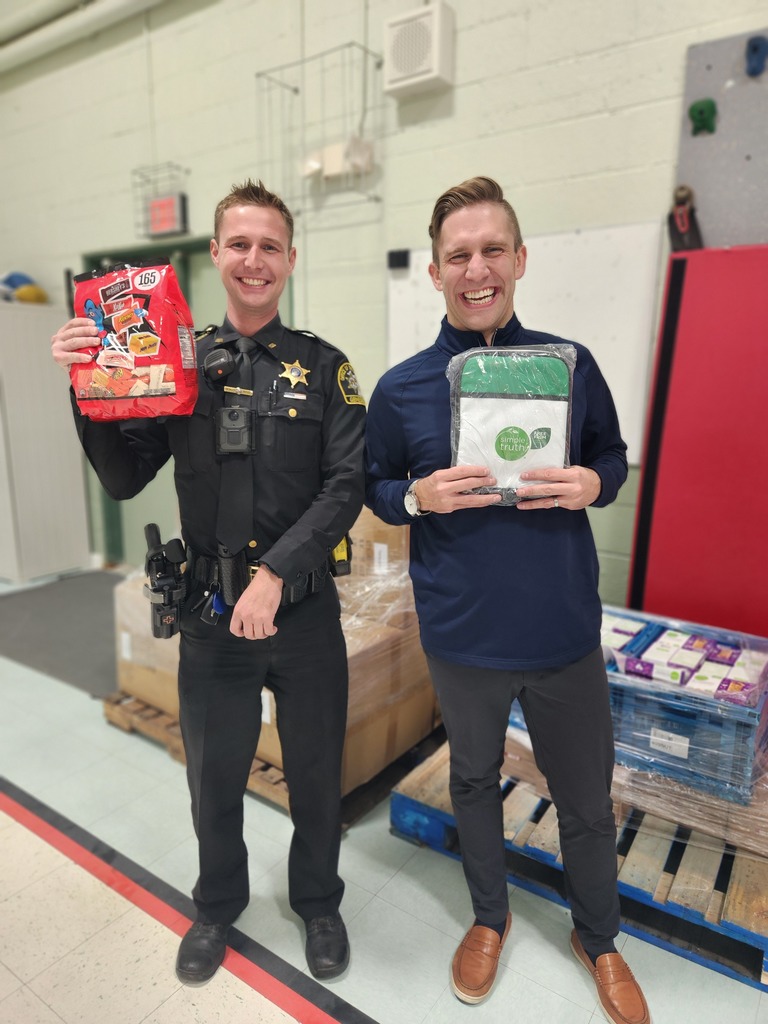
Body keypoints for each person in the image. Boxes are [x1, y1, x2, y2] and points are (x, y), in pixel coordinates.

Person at [51, 179, 365, 985]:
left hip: (299, 614)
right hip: (209, 615)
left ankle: (318, 902)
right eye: (238, 244)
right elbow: (124, 477)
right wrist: (86, 388)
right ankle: (217, 905)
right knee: (213, 779)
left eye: (269, 246)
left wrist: (274, 575)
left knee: (318, 773)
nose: (253, 260)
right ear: (217, 255)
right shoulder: (176, 363)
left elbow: (344, 487)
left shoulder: (326, 370)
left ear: (290, 259)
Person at [364, 176, 650, 1024]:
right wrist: (418, 499)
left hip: (560, 630)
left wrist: (591, 481)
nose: (476, 268)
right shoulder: (402, 389)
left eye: (493, 250)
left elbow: (615, 457)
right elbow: (376, 488)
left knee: (587, 800)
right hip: (461, 635)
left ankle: (599, 938)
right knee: (475, 782)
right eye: (459, 255)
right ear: (436, 271)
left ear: (519, 260)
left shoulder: (569, 367)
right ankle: (490, 918)